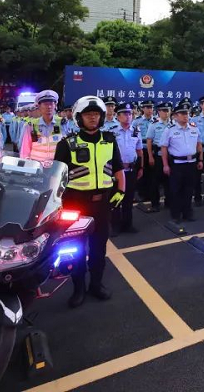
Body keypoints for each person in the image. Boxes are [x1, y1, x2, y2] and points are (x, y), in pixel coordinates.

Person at [53, 95, 125, 307]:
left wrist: (120, 192)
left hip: (102, 204)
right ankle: (78, 289)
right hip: (75, 205)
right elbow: (56, 176)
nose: (93, 118)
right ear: (79, 117)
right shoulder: (67, 144)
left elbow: (118, 168)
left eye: (96, 114)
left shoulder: (109, 140)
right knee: (75, 249)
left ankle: (96, 284)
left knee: (98, 248)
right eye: (88, 114)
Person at [160, 99, 202, 223]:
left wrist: (200, 160)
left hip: (191, 163)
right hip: (177, 164)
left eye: (187, 113)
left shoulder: (194, 128)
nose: (185, 116)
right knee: (176, 190)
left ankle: (187, 213)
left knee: (189, 190)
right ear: (175, 116)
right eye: (182, 113)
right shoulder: (170, 129)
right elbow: (164, 148)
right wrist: (165, 165)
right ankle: (176, 215)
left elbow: (199, 144)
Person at [110, 102, 143, 236]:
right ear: (118, 116)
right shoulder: (112, 132)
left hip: (131, 170)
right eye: (125, 114)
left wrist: (141, 167)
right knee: (116, 198)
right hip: (117, 171)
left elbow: (139, 151)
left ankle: (128, 224)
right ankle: (115, 226)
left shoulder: (136, 131)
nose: (128, 116)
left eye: (130, 113)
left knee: (129, 199)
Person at [19, 90, 65, 163]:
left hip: (57, 166)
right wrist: (26, 165)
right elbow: (25, 150)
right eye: (45, 104)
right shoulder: (31, 125)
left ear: (55, 105)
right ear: (39, 106)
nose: (49, 107)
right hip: (36, 165)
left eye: (51, 104)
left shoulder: (63, 123)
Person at [145, 101, 172, 212]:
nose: (166, 113)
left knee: (169, 181)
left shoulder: (174, 124)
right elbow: (149, 141)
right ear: (159, 112)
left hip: (171, 156)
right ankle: (155, 204)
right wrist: (150, 156)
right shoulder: (154, 124)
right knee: (155, 181)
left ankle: (169, 202)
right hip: (158, 156)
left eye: (168, 111)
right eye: (164, 111)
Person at [132, 101, 156, 204]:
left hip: (153, 149)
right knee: (141, 172)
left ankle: (150, 194)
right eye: (147, 108)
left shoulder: (156, 121)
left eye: (151, 108)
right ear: (143, 109)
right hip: (141, 149)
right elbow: (132, 137)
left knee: (152, 174)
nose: (150, 110)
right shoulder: (136, 121)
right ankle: (141, 194)